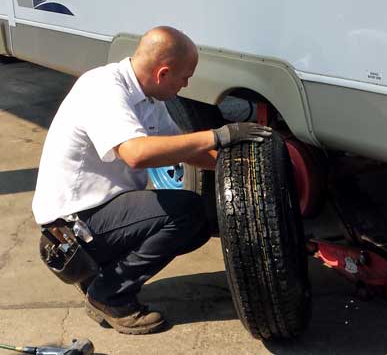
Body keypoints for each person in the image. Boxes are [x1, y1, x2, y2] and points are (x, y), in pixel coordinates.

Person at [32, 26, 272, 335]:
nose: (186, 85)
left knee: (200, 222)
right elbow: (136, 154)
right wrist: (218, 135)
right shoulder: (103, 89)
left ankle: (101, 275)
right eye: (185, 77)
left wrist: (240, 167)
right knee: (186, 211)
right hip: (69, 232)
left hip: (95, 217)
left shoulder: (149, 99)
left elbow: (181, 148)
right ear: (162, 73)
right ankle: (109, 294)